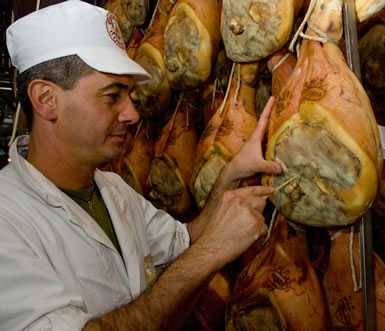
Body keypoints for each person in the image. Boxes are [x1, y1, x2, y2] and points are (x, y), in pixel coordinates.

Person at [1, 1, 282, 330]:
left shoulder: (112, 188)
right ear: (46, 99)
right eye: (112, 96)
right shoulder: (8, 220)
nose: (132, 114)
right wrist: (211, 252)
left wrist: (228, 181)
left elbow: (181, 242)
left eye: (130, 96)